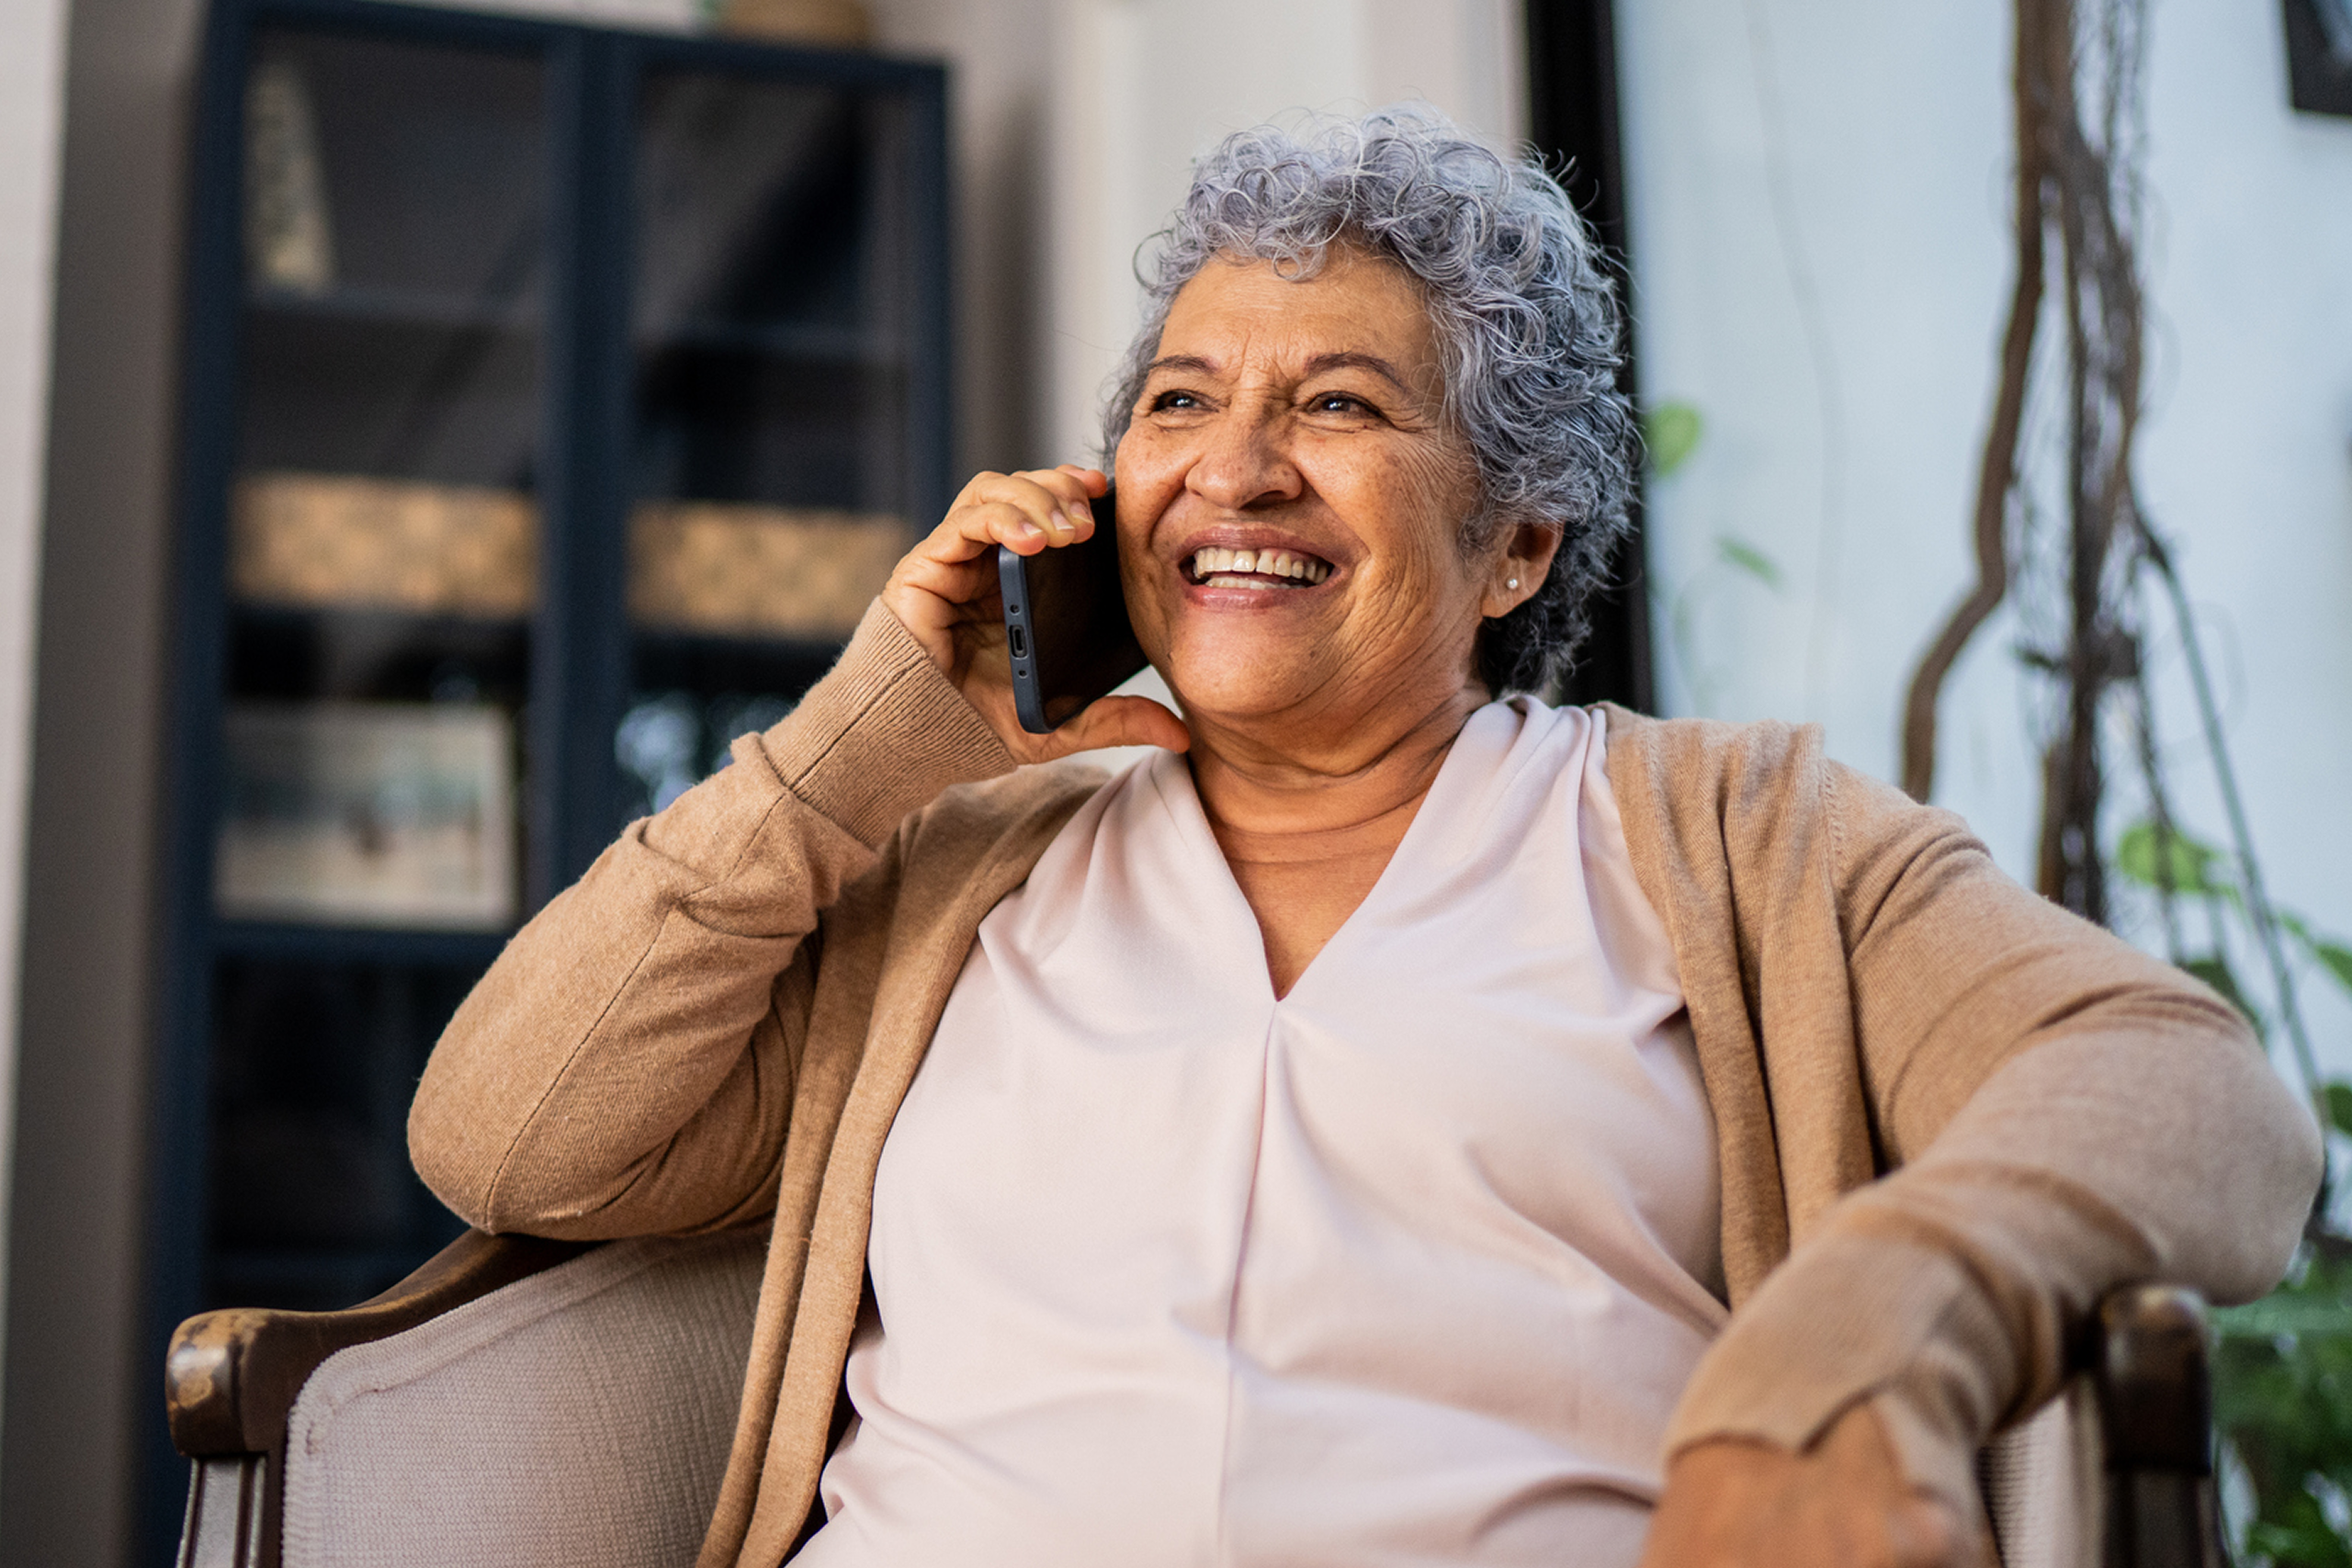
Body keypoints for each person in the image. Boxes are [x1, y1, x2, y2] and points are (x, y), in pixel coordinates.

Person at [408, 108, 2318, 1568]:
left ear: (1515, 542)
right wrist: (860, 747)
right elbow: (507, 1136)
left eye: (1335, 404)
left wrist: (1869, 1322)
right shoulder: (956, 869)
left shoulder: (1731, 840)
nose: (1231, 469)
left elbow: (2188, 1091)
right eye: (1177, 402)